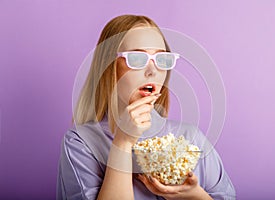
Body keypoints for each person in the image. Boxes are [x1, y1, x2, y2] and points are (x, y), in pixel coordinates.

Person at [57, 14, 236, 200]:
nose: (152, 71)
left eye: (161, 59)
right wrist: (123, 141)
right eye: (136, 59)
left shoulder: (191, 138)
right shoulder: (81, 143)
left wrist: (194, 196)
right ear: (108, 66)